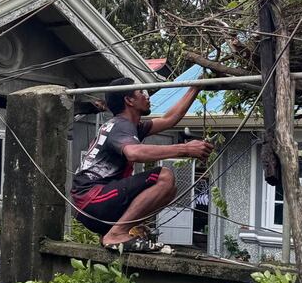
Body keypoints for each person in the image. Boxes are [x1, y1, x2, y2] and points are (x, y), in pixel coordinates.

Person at [71, 78, 214, 252]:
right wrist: (185, 149)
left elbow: (169, 119)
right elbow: (134, 153)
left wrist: (194, 88)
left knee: (169, 190)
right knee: (165, 176)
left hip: (91, 205)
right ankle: (116, 234)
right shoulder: (121, 126)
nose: (147, 97)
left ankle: (113, 232)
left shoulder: (128, 126)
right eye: (141, 93)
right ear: (129, 100)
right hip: (94, 199)